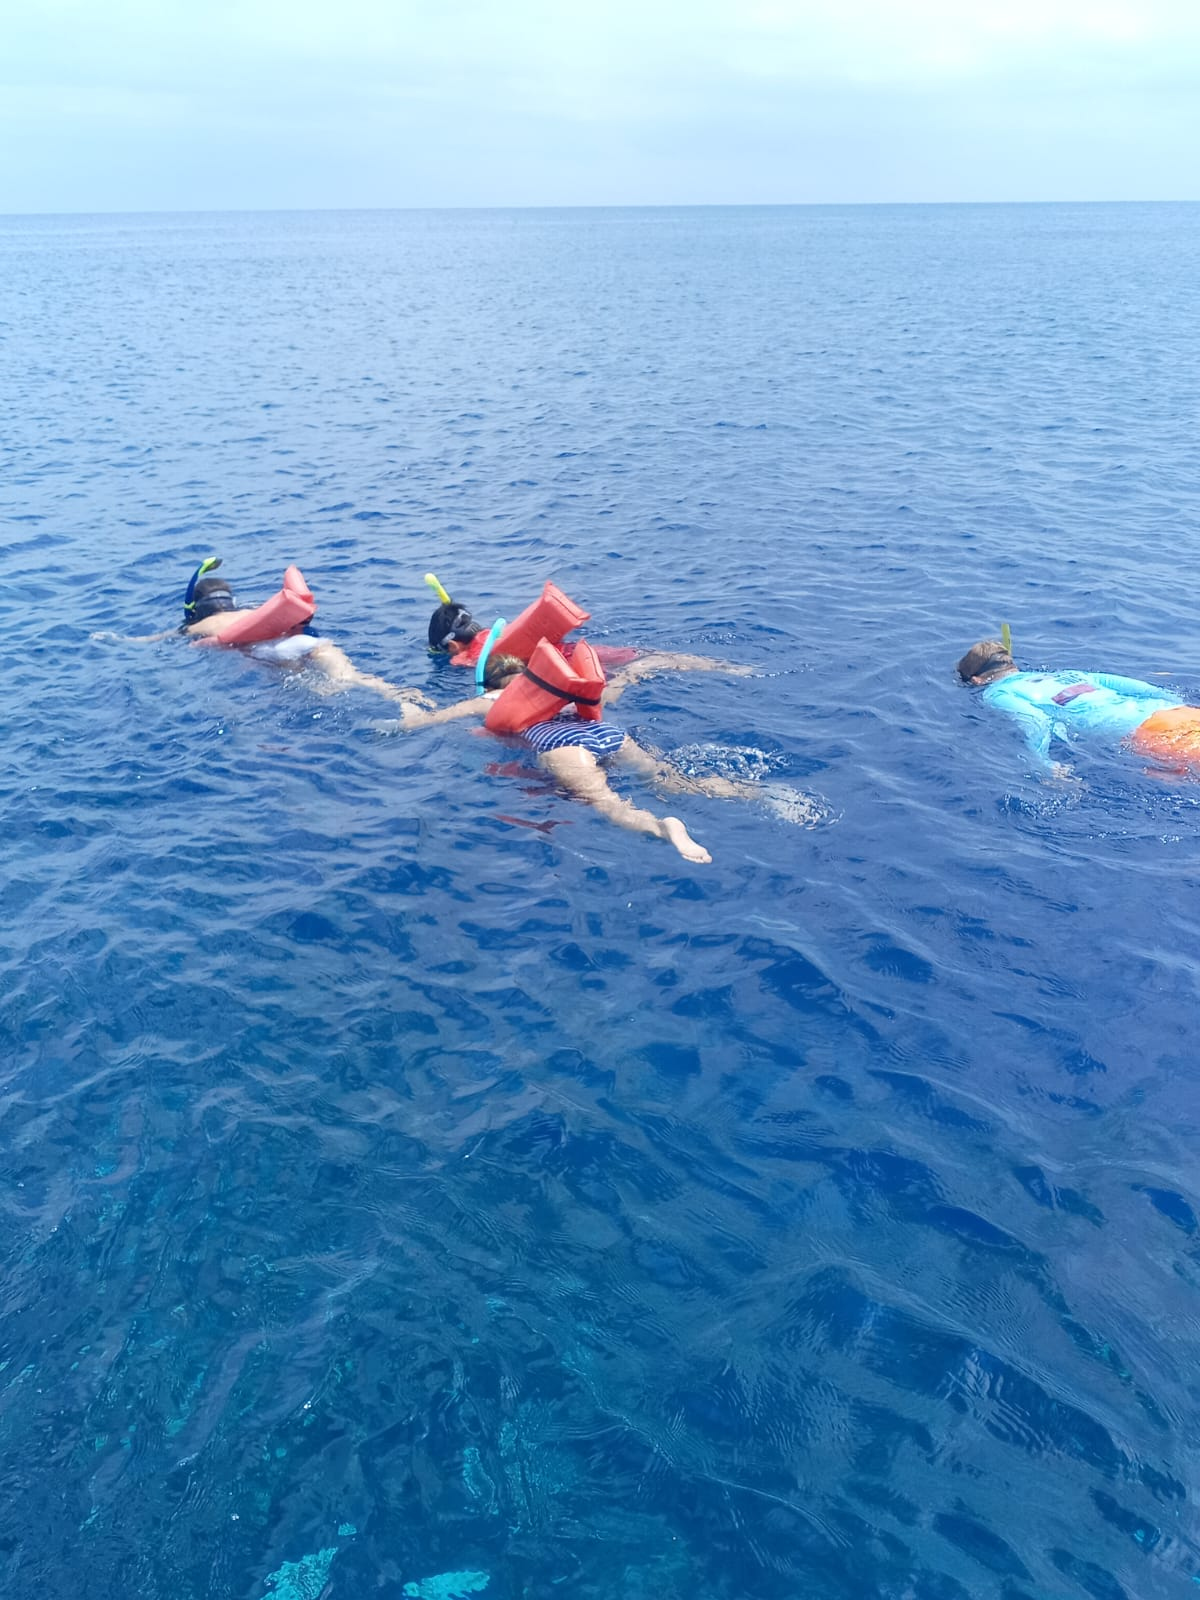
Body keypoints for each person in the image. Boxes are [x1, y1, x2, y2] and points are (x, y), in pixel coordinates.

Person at [391, 657, 821, 865]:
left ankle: (665, 827)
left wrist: (407, 708)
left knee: (611, 805)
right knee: (672, 780)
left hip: (561, 746)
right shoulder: (561, 691)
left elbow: (425, 722)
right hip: (606, 733)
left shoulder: (489, 700)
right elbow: (624, 680)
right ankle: (761, 795)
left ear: (492, 685)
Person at [92, 559, 433, 712]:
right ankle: (401, 695)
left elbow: (153, 641)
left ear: (197, 609)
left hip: (272, 652)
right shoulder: (251, 612)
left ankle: (325, 692)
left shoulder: (196, 627)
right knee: (355, 677)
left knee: (308, 686)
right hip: (308, 641)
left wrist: (115, 640)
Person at [427, 591, 752, 699]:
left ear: (452, 646)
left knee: (629, 677)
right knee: (649, 657)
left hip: (567, 668)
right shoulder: (497, 633)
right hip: (577, 650)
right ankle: (729, 668)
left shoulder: (464, 659)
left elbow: (479, 676)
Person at [956, 638, 1200, 775]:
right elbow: (1144, 688)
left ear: (976, 680)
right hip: (1176, 712)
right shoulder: (1068, 674)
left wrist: (1043, 764)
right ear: (1012, 665)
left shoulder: (998, 692)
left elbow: (1036, 722)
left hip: (1153, 732)